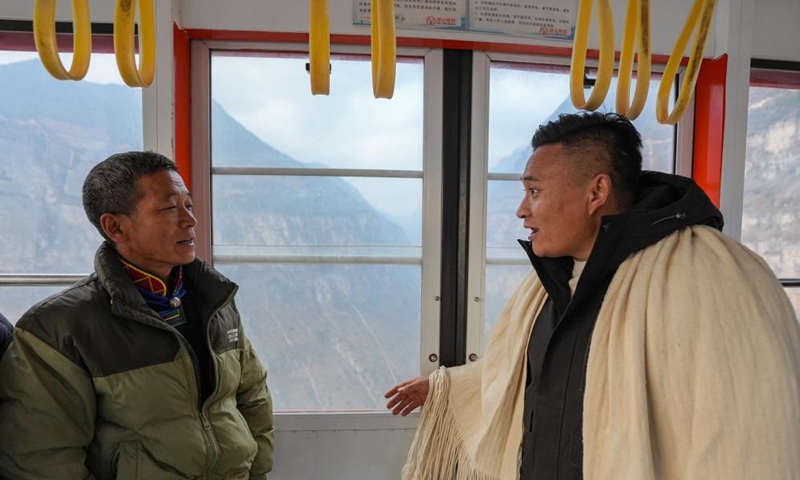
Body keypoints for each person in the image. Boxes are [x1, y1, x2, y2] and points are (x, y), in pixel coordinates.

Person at [386, 112, 800, 480]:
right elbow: (520, 374)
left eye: (534, 191)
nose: (521, 211)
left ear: (596, 192)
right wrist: (444, 388)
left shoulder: (708, 275)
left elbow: (751, 422)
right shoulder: (549, 283)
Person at [0, 151, 274, 479]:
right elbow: (43, 459)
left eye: (188, 204)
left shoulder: (216, 301)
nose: (190, 220)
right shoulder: (58, 327)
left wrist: (256, 471)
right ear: (115, 227)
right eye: (170, 208)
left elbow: (252, 395)